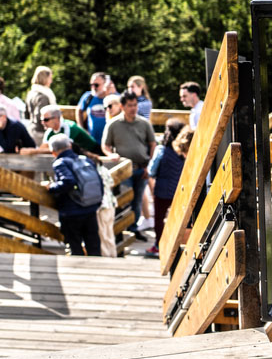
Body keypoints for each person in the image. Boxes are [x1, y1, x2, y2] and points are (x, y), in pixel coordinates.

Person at [102, 90, 156, 241]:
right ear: (122, 106)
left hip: (141, 168)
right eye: (130, 105)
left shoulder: (144, 123)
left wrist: (149, 166)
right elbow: (105, 145)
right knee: (122, 200)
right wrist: (111, 155)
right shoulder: (113, 124)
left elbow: (152, 144)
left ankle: (133, 228)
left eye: (135, 105)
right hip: (123, 170)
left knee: (137, 201)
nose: (133, 108)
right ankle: (120, 231)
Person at [145, 120, 194, 258]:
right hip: (180, 189)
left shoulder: (162, 150)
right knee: (180, 218)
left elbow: (152, 170)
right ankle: (178, 243)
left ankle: (159, 245)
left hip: (162, 189)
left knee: (159, 219)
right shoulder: (185, 150)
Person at [46, 134, 101, 256]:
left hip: (71, 211)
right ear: (69, 146)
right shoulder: (85, 159)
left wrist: (51, 187)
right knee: (93, 244)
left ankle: (79, 272)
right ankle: (98, 270)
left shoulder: (60, 163)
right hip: (90, 207)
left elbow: (68, 182)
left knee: (75, 246)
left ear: (53, 152)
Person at [19, 104, 103, 157]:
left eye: (46, 120)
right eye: (41, 120)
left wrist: (33, 151)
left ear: (56, 118)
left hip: (93, 153)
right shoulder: (49, 131)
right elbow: (43, 148)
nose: (43, 123)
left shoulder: (70, 127)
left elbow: (63, 149)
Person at [77, 72, 116, 144]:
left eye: (96, 85)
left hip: (110, 141)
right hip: (92, 140)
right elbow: (79, 111)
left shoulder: (114, 97)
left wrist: (108, 94)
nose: (93, 88)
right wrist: (82, 129)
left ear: (105, 84)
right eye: (91, 85)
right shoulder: (88, 96)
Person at [25, 66, 56, 146]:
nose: (51, 81)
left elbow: (26, 114)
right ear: (44, 78)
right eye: (50, 78)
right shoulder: (43, 96)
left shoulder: (31, 93)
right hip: (41, 133)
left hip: (32, 129)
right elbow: (41, 117)